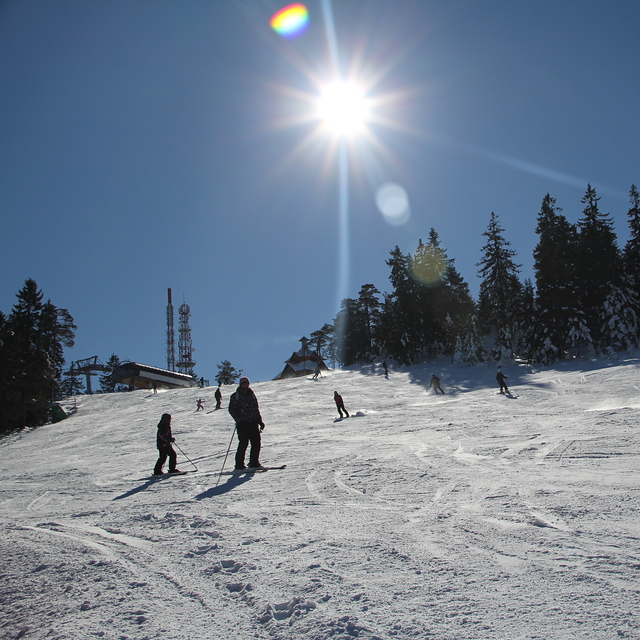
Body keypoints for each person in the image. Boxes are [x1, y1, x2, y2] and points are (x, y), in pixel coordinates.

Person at [228, 377, 264, 470]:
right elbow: (232, 409)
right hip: (243, 423)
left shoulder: (251, 394)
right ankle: (239, 464)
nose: (246, 385)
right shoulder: (236, 395)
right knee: (243, 443)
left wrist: (259, 421)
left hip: (253, 422)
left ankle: (254, 462)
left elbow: (256, 408)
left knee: (256, 443)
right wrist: (238, 419)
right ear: (240, 384)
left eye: (247, 383)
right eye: (244, 383)